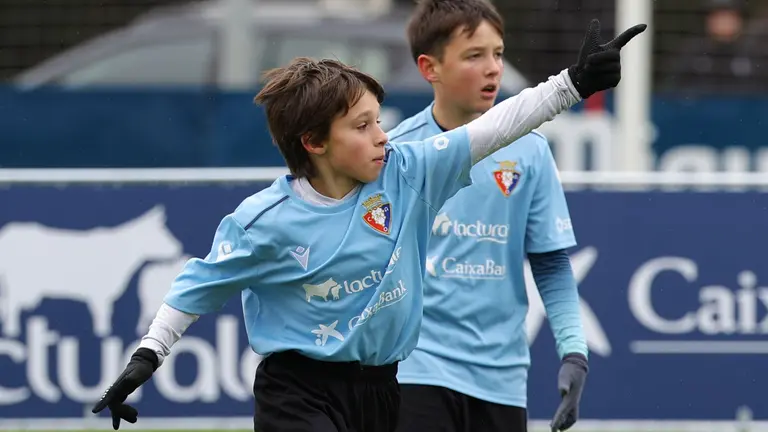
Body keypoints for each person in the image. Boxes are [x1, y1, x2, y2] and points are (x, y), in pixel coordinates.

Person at [90, 18, 645, 432]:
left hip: (382, 389)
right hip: (298, 392)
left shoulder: (409, 170)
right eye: (362, 126)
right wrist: (146, 357)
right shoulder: (264, 221)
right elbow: (196, 287)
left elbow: (498, 128)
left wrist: (573, 83)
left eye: (378, 121)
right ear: (314, 143)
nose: (383, 135)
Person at [386, 2, 606, 431]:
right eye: (474, 56)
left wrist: (574, 352)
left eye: (499, 54)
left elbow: (550, 262)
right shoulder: (398, 152)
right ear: (430, 67)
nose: (493, 69)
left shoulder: (531, 151)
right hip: (416, 372)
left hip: (501, 380)